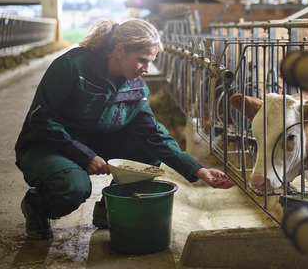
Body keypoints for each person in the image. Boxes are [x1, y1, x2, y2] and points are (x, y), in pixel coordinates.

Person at [14, 18, 235, 240]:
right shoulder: (72, 67)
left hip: (94, 141)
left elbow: (153, 135)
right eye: (142, 60)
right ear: (119, 50)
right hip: (47, 145)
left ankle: (108, 209)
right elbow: (42, 119)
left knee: (147, 153)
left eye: (150, 61)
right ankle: (36, 206)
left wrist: (197, 170)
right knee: (73, 188)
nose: (146, 69)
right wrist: (84, 156)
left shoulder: (136, 86)